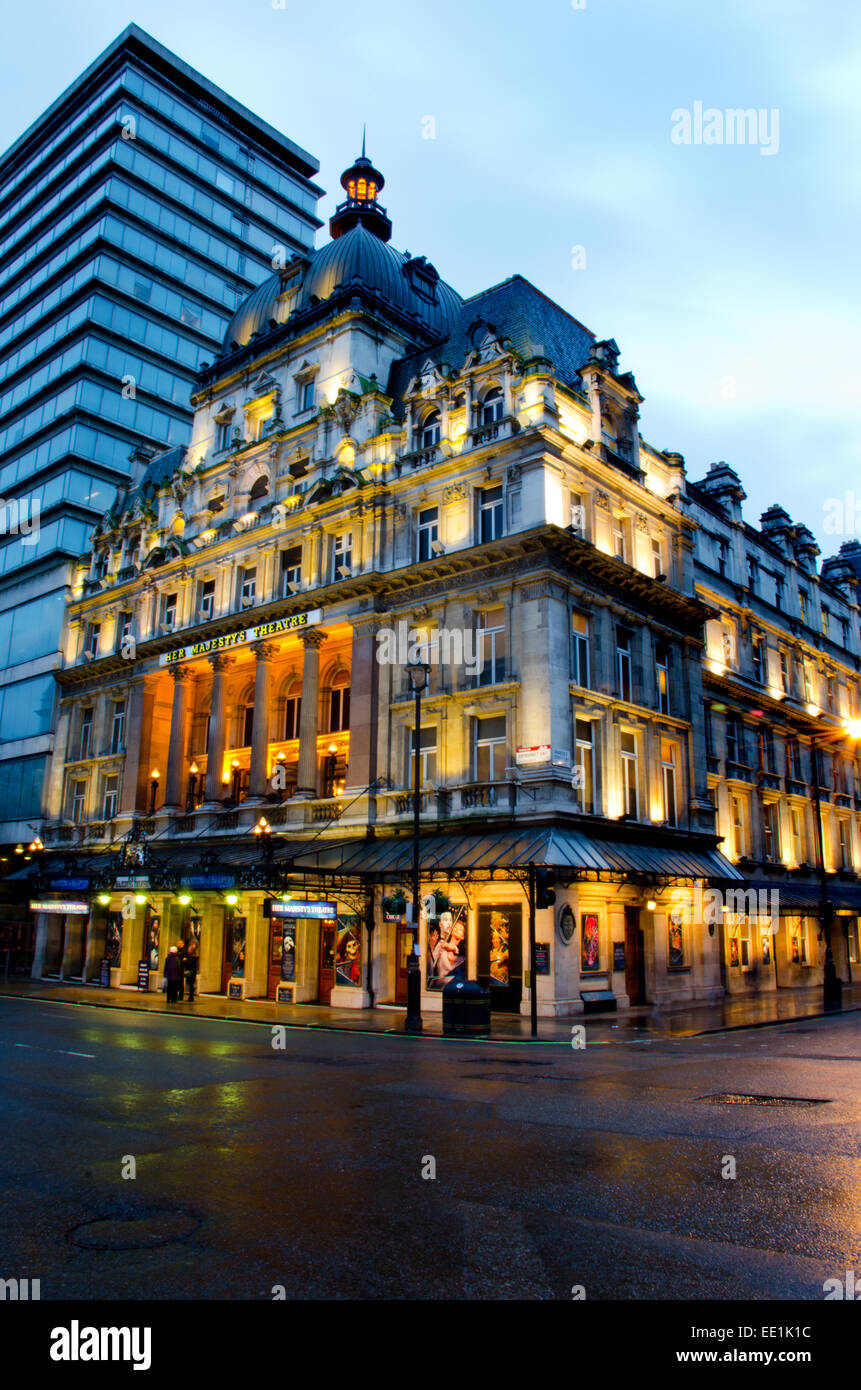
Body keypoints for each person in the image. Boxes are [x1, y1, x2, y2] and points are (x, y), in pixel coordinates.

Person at [185, 936, 199, 1002]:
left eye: (193, 944)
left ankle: (191, 997)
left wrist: (185, 961)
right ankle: (191, 997)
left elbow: (190, 963)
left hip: (191, 970)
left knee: (191, 984)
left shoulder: (193, 956)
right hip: (192, 970)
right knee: (191, 984)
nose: (192, 946)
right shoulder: (193, 955)